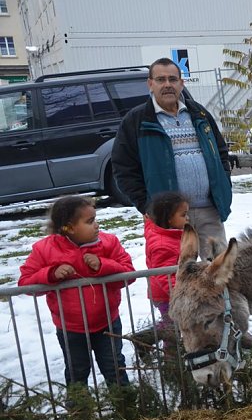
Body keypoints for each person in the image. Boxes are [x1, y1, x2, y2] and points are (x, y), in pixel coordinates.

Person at [112, 57, 232, 261]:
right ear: (150, 84)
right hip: (168, 218)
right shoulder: (137, 121)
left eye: (172, 79)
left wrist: (223, 183)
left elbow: (220, 152)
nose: (167, 84)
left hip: (209, 210)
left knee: (219, 269)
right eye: (161, 79)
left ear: (181, 83)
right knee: (176, 273)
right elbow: (123, 168)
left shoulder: (199, 113)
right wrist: (147, 205)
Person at [18, 196, 134, 388]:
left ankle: (125, 403)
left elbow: (129, 274)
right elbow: (25, 283)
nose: (96, 225)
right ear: (69, 228)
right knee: (76, 371)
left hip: (107, 322)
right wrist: (51, 274)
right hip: (70, 329)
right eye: (90, 221)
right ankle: (79, 406)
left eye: (95, 219)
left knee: (114, 367)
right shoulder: (45, 249)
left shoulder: (109, 243)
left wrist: (103, 265)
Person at [144, 191, 189, 331]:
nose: (187, 218)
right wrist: (181, 294)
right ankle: (160, 340)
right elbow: (164, 276)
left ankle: (155, 334)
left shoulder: (169, 234)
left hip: (172, 292)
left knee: (174, 323)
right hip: (166, 296)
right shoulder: (162, 245)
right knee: (172, 327)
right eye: (183, 215)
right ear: (169, 218)